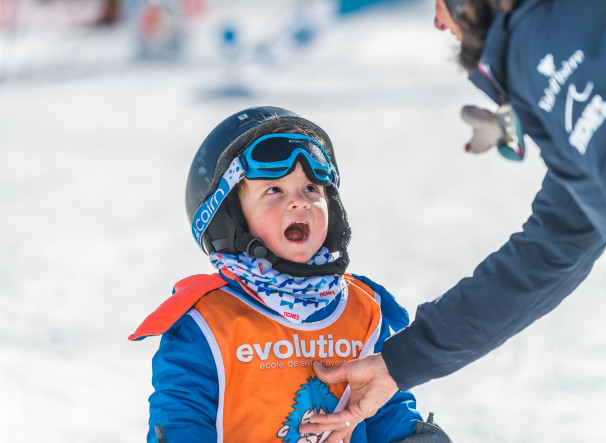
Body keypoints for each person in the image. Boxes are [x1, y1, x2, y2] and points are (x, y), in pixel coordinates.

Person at [299, 0, 606, 441]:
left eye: (439, 3)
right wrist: (401, 362)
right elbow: (552, 247)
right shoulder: (562, 28)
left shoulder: (552, 37)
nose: (439, 21)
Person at [129, 106, 452, 442]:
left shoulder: (365, 310)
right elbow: (183, 415)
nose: (300, 202)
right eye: (274, 190)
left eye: (312, 188)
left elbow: (386, 407)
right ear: (231, 219)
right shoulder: (207, 322)